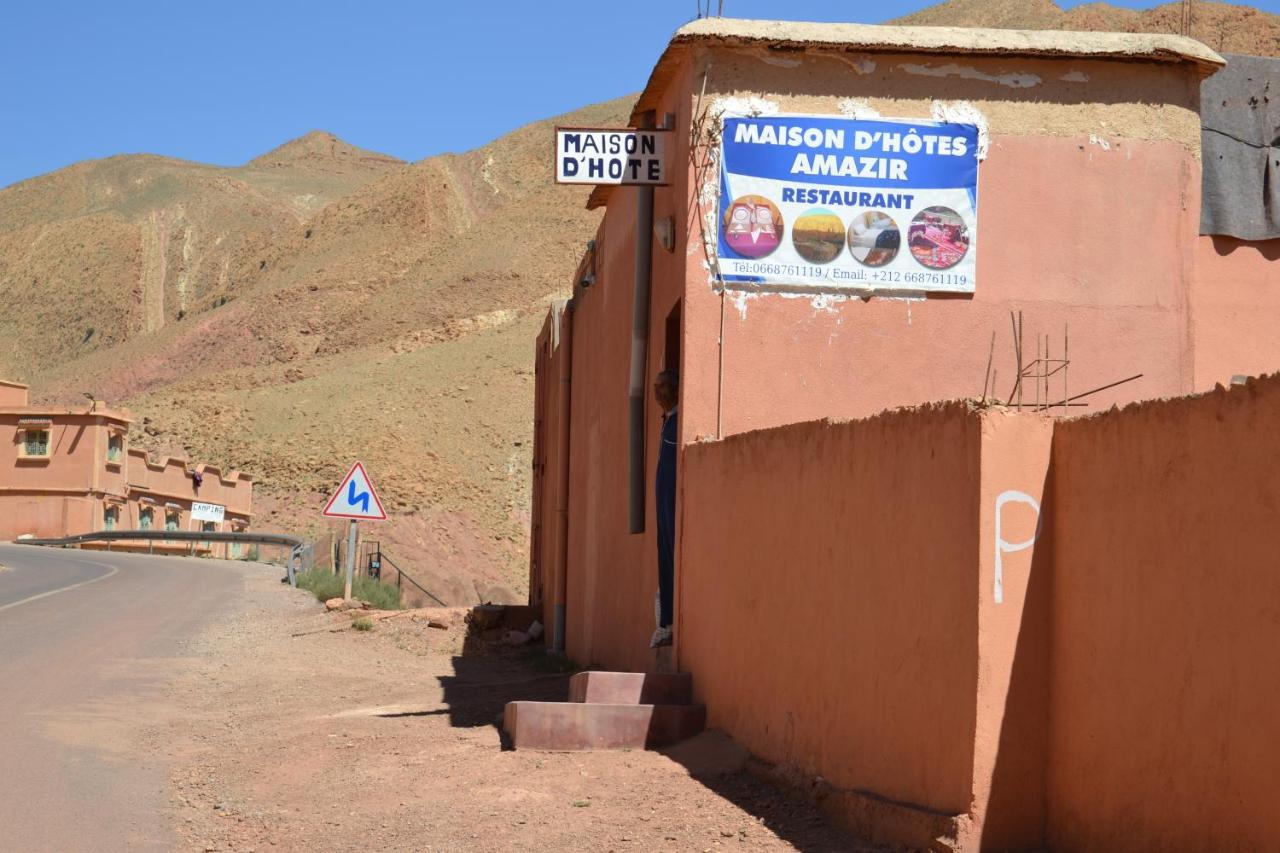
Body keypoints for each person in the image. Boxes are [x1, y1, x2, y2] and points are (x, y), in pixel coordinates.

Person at [651, 370, 678, 648]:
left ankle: (670, 622)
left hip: (672, 508)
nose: (658, 392)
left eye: (663, 387)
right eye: (656, 387)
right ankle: (666, 622)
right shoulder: (667, 422)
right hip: (663, 509)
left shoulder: (678, 423)